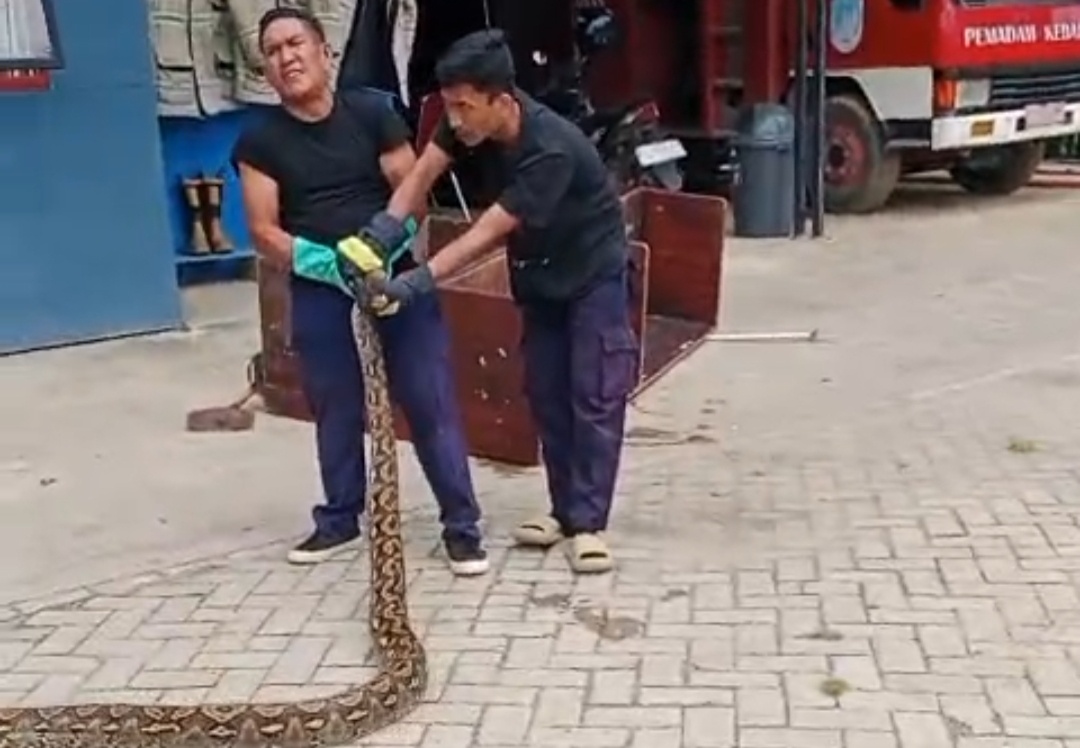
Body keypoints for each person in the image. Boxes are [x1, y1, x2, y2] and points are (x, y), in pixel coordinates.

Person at [341, 29, 638, 574]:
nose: (455, 120)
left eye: (464, 107)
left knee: (593, 395)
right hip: (539, 278)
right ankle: (563, 510)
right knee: (546, 393)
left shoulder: (550, 148)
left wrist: (417, 282)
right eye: (449, 106)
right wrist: (379, 234)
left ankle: (589, 523)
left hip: (592, 275)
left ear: (501, 100)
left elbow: (488, 232)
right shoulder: (466, 122)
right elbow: (421, 174)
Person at [231, 7, 489, 576]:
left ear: (325, 52)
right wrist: (323, 263)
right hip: (321, 287)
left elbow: (412, 195)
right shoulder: (259, 141)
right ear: (266, 71)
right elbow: (264, 231)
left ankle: (462, 526)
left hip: (392, 274)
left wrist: (384, 250)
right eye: (272, 51)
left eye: (295, 43)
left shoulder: (373, 112)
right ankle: (341, 518)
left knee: (429, 400)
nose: (285, 57)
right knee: (336, 407)